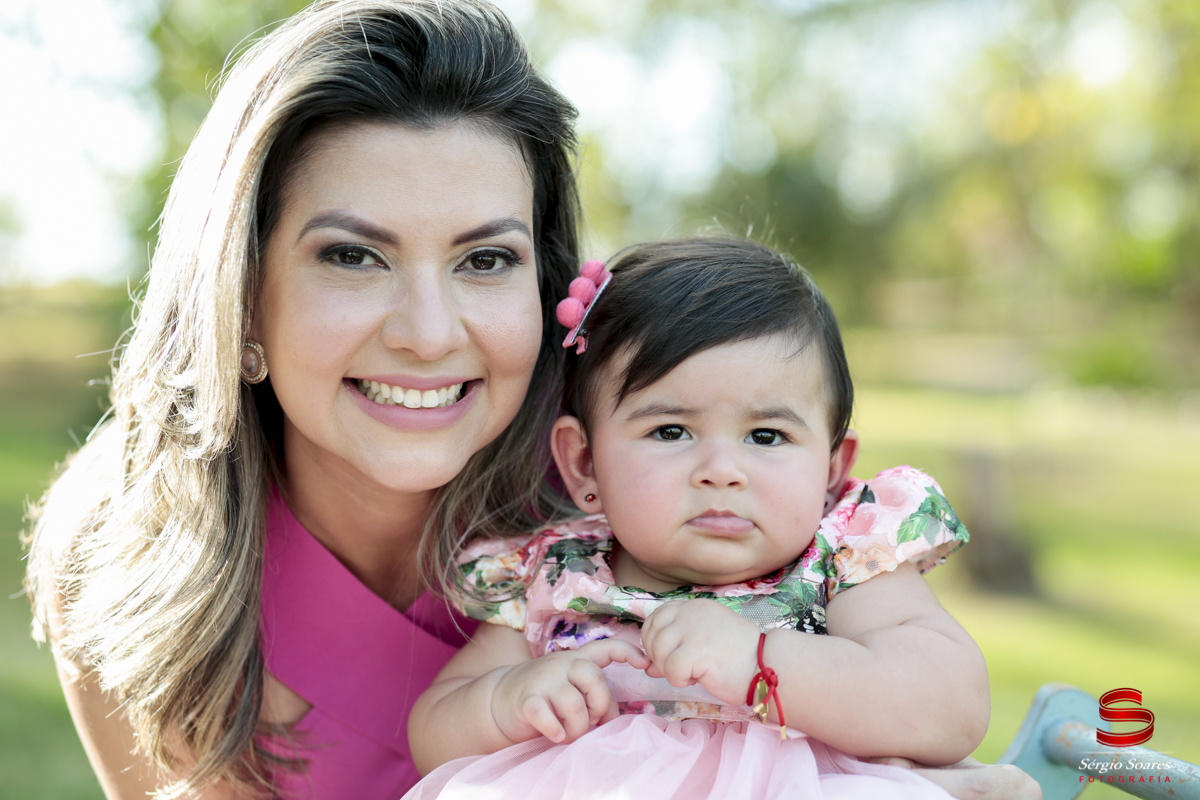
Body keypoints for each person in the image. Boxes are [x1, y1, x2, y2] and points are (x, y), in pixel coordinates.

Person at [21, 1, 1039, 798]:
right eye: (352, 254)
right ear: (240, 302)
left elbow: (907, 699)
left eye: (484, 258)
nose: (427, 329)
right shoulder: (126, 558)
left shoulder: (644, 500)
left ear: (546, 290)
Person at [405, 238, 990, 799]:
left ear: (833, 470)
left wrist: (759, 661)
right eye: (671, 431)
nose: (721, 470)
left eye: (766, 435)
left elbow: (951, 707)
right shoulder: (559, 575)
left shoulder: (842, 564)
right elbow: (433, 730)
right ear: (583, 464)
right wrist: (505, 699)